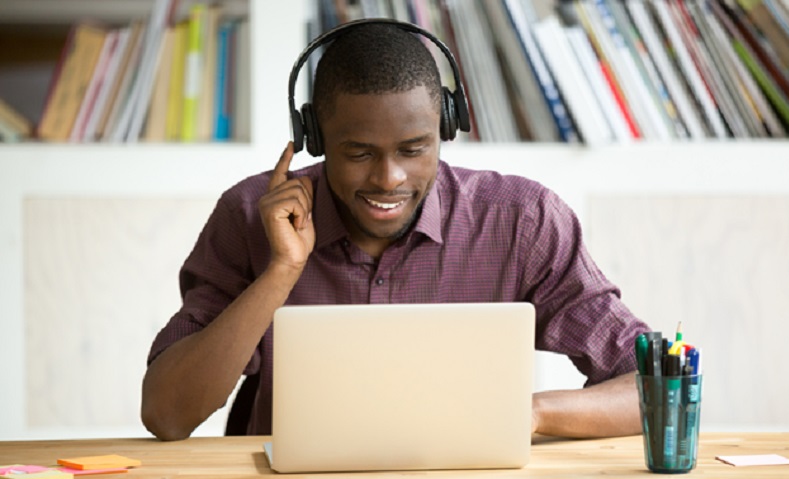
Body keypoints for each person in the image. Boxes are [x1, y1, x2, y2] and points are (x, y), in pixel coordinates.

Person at [141, 20, 650, 442]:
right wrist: (281, 271)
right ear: (315, 136)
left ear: (446, 127)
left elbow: (654, 389)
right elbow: (167, 415)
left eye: (413, 149)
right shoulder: (251, 213)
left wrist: (532, 413)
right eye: (359, 152)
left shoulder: (522, 219)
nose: (389, 178)